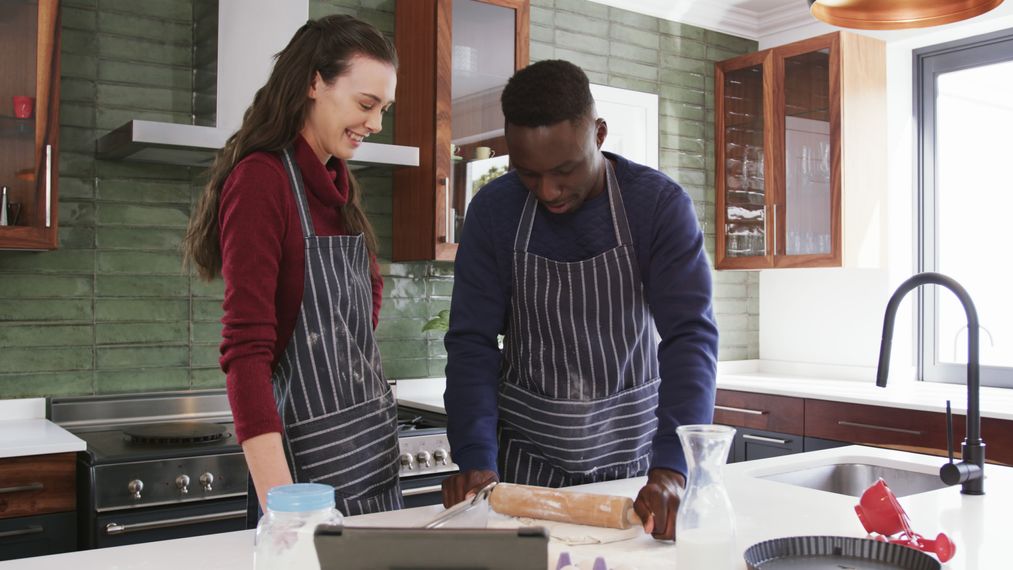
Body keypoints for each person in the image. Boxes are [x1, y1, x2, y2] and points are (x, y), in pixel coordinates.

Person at [442, 60, 719, 540]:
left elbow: (689, 335)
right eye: (528, 174)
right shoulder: (494, 211)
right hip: (523, 468)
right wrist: (474, 457)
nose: (549, 191)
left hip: (635, 470)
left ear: (600, 134)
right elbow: (472, 343)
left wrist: (672, 466)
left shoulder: (657, 207)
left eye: (565, 170)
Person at [182, 15, 402, 519]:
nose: (375, 123)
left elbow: (355, 331)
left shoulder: (337, 186)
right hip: (306, 480)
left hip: (372, 459)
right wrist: (285, 508)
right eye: (366, 104)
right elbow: (245, 352)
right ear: (313, 83)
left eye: (383, 109)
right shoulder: (262, 182)